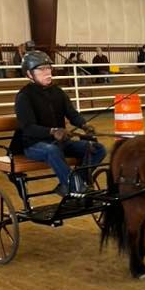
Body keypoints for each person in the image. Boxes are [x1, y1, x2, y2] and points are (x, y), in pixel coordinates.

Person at [14, 51, 106, 196]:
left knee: (97, 148)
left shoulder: (57, 92)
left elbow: (72, 113)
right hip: (34, 145)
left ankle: (71, 183)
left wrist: (83, 125)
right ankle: (75, 185)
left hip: (61, 142)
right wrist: (52, 131)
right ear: (29, 74)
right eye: (41, 69)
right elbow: (28, 128)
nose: (47, 72)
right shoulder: (24, 96)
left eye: (48, 68)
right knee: (52, 150)